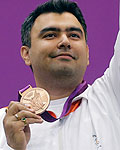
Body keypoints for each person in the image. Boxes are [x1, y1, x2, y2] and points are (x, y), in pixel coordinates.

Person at [0, 0, 120, 149]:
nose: (65, 41)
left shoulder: (112, 97)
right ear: (26, 54)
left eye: (74, 35)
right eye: (50, 35)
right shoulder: (3, 125)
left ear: (88, 53)